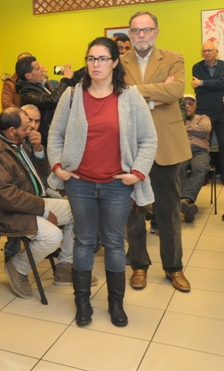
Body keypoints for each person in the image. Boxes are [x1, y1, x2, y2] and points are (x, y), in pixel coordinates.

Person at [48, 37, 157, 328]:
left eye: (102, 59)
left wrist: (137, 173)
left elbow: (148, 138)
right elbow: (55, 134)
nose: (96, 64)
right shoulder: (72, 95)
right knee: (83, 241)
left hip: (117, 185)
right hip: (79, 183)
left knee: (114, 242)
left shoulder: (130, 97)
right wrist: (57, 167)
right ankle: (82, 301)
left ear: (114, 62)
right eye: (91, 58)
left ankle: (115, 303)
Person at [120, 11, 192, 293]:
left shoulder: (173, 57)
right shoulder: (118, 61)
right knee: (134, 212)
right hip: (130, 147)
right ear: (130, 33)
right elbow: (114, 94)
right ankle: (139, 265)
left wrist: (134, 91)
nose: (141, 35)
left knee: (168, 211)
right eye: (136, 30)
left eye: (147, 29)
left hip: (165, 145)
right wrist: (155, 96)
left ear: (156, 32)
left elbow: (176, 90)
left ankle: (174, 268)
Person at [0, 108, 75, 297]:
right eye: (26, 127)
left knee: (77, 210)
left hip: (32, 203)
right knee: (52, 237)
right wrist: (43, 210)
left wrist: (38, 149)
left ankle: (64, 265)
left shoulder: (18, 142)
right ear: (11, 130)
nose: (31, 130)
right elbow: (7, 196)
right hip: (7, 213)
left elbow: (40, 173)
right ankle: (18, 267)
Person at [192, 41, 224, 187]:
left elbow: (221, 82)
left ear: (216, 52)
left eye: (210, 50)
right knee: (204, 146)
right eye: (204, 51)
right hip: (203, 112)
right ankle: (203, 175)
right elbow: (199, 90)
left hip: (221, 111)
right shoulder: (197, 67)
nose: (207, 53)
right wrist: (219, 85)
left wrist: (202, 83)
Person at [16, 55, 72, 139]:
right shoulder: (26, 92)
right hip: (40, 138)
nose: (42, 70)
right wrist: (65, 79)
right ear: (28, 76)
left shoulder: (39, 85)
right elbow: (52, 100)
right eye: (38, 69)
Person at [179, 94, 212, 223]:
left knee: (202, 168)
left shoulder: (203, 118)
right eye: (185, 104)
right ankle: (187, 203)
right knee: (177, 169)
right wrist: (193, 129)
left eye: (190, 104)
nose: (187, 106)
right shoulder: (176, 118)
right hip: (181, 151)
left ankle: (185, 200)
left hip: (200, 151)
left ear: (195, 106)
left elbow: (205, 129)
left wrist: (184, 128)